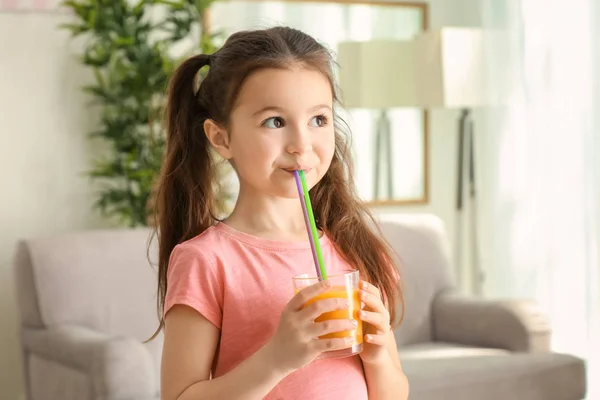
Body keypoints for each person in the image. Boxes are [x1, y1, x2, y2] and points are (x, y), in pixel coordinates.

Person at [151, 25, 409, 400]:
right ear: (221, 138)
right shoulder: (207, 261)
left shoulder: (357, 251)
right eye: (275, 121)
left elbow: (394, 393)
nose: (301, 145)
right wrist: (277, 358)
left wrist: (379, 354)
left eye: (318, 120)